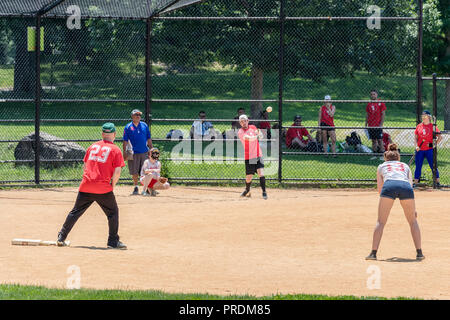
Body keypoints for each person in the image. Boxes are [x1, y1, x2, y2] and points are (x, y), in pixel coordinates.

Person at [57, 123, 127, 249]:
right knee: (112, 213)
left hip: (86, 185)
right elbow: (117, 171)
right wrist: (112, 185)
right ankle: (112, 241)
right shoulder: (115, 150)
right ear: (114, 135)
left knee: (75, 212)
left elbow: (85, 166)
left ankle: (61, 236)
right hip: (103, 188)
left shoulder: (92, 146)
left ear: (102, 134)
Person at [366, 143, 424, 261]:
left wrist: (385, 199)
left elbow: (380, 189)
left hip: (389, 186)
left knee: (381, 222)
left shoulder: (382, 166)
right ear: (398, 157)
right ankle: (419, 253)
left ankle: (373, 253)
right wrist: (414, 209)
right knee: (413, 221)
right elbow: (410, 185)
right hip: (405, 187)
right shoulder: (405, 166)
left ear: (386, 157)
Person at [123, 109, 153, 195]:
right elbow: (125, 140)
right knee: (134, 171)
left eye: (139, 115)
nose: (138, 116)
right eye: (136, 115)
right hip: (133, 152)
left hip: (144, 151)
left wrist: (151, 149)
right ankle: (136, 187)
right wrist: (124, 152)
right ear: (132, 116)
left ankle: (147, 188)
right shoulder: (128, 127)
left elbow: (148, 138)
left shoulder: (144, 125)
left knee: (145, 171)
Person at [238, 114, 267, 200]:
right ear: (240, 123)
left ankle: (264, 192)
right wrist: (257, 136)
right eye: (241, 121)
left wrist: (260, 134)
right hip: (249, 157)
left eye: (245, 120)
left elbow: (259, 134)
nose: (244, 123)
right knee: (248, 178)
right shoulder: (240, 132)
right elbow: (249, 139)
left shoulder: (253, 127)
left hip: (258, 155)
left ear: (248, 121)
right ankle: (247, 190)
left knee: (261, 174)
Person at [413, 110, 442, 187]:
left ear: (429, 117)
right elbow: (416, 137)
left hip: (429, 149)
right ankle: (416, 183)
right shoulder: (419, 126)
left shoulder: (433, 126)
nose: (423, 117)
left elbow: (439, 137)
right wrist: (416, 146)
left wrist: (433, 145)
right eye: (422, 116)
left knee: (433, 165)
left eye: (425, 116)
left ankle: (437, 182)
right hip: (420, 149)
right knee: (418, 166)